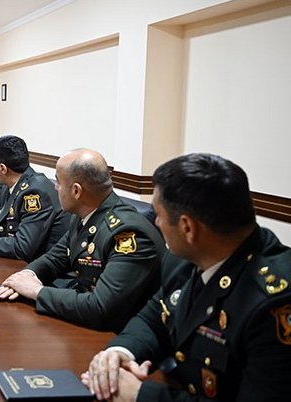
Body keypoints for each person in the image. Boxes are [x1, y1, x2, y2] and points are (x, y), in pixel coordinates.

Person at [83, 153, 291, 401]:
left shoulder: (273, 302)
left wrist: (141, 395)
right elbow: (153, 318)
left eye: (157, 214)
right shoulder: (182, 259)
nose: (156, 222)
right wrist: (121, 352)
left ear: (187, 228)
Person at [0, 148, 165, 332]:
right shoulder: (84, 214)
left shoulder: (128, 234)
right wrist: (27, 275)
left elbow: (100, 308)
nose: (55, 187)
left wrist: (37, 292)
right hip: (82, 320)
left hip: (114, 336)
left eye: (58, 182)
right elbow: (55, 258)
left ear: (76, 191)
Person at [0, 135, 68, 260]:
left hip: (40, 269)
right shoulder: (12, 185)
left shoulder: (35, 193)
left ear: (3, 169)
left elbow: (23, 247)